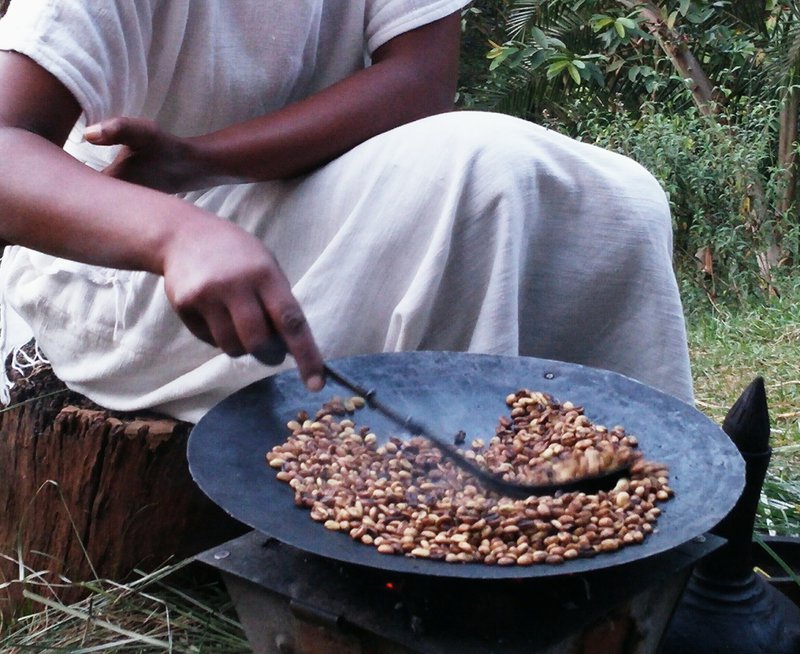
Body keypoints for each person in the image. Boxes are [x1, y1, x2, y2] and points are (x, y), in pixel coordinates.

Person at [0, 0, 693, 423]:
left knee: (623, 202)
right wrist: (177, 233)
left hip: (261, 198)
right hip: (114, 270)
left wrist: (201, 160)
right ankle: (458, 543)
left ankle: (651, 530)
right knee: (483, 177)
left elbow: (420, 77)